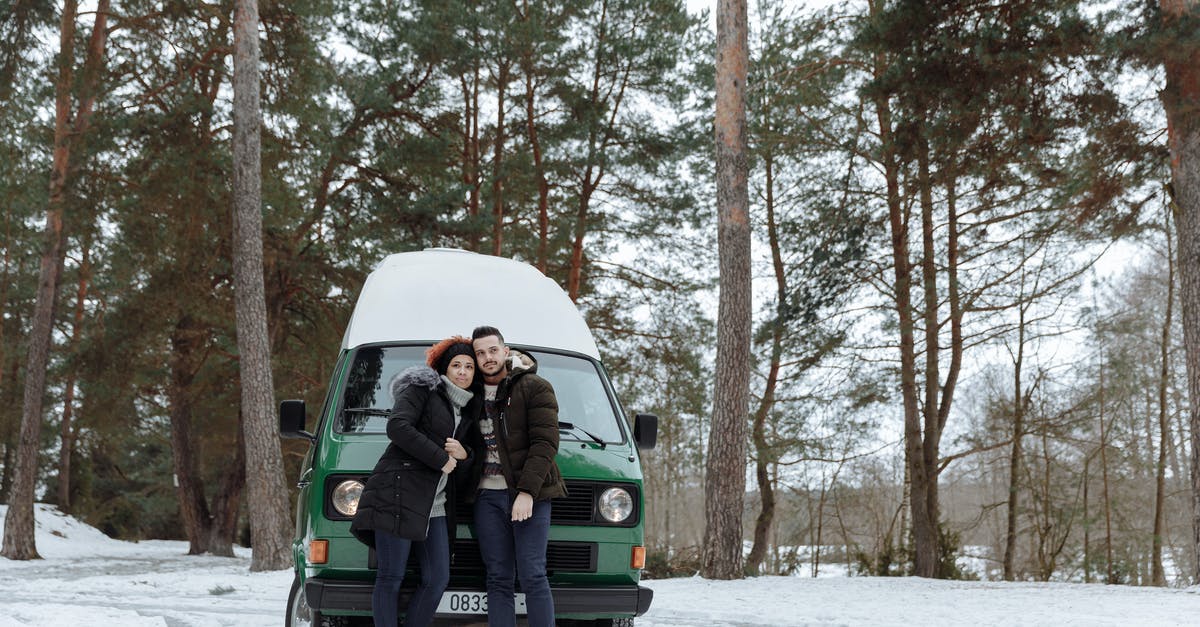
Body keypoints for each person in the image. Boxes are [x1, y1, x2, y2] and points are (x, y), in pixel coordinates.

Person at [350, 336, 479, 627]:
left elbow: (470, 458)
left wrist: (464, 454)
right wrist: (441, 458)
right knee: (391, 576)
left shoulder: (469, 409)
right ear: (444, 368)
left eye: (469, 366)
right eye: (456, 364)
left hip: (435, 505)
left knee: (437, 579)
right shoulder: (423, 389)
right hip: (399, 495)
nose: (462, 371)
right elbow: (397, 426)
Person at [467, 325, 567, 627]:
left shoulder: (534, 386)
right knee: (498, 577)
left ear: (506, 351)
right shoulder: (468, 394)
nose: (487, 357)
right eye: (480, 353)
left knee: (533, 573)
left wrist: (526, 493)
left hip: (528, 495)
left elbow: (545, 443)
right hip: (486, 496)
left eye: (493, 350)